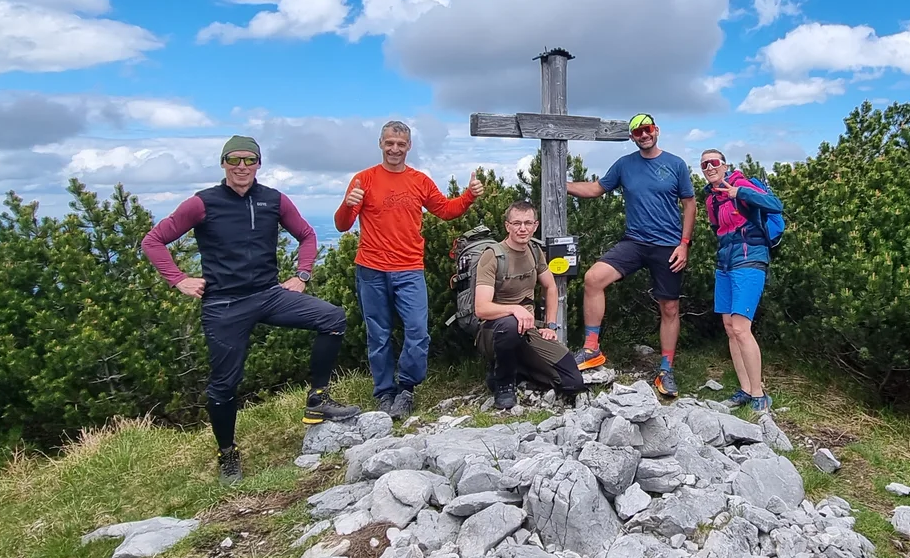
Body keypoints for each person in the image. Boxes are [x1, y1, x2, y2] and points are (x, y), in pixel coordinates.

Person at [141, 135, 358, 486]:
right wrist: (178, 279)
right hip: (224, 303)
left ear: (258, 164)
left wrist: (302, 275)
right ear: (223, 163)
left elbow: (307, 235)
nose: (241, 166)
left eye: (249, 160)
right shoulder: (202, 203)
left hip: (269, 294)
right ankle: (227, 453)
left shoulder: (274, 199)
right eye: (234, 159)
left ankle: (318, 399)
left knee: (332, 318)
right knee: (224, 384)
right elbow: (153, 241)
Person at [334, 120, 483, 420]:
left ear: (409, 146)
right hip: (371, 269)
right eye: (390, 143)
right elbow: (342, 225)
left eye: (400, 144)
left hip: (409, 268)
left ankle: (406, 389)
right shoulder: (363, 179)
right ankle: (384, 393)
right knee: (378, 335)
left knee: (417, 331)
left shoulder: (419, 180)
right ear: (380, 143)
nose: (395, 149)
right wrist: (349, 204)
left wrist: (469, 195)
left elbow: (445, 210)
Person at [568, 112, 695, 398]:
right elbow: (596, 189)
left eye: (647, 129)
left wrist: (684, 244)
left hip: (668, 245)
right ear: (632, 137)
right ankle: (591, 348)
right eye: (638, 132)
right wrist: (559, 184)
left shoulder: (675, 164)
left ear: (656, 130)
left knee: (670, 307)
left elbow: (689, 204)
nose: (644, 135)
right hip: (635, 242)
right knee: (593, 278)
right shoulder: (624, 165)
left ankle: (666, 370)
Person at [474, 200, 587, 410]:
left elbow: (550, 287)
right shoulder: (492, 256)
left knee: (573, 382)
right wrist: (514, 309)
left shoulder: (534, 251)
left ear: (536, 225)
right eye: (516, 223)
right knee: (510, 325)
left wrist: (550, 325)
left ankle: (515, 369)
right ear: (507, 226)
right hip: (494, 330)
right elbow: (481, 308)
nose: (522, 228)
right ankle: (504, 383)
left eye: (528, 223)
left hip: (528, 329)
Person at [700, 149, 783, 414]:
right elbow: (717, 229)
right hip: (725, 263)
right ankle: (745, 390)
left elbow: (775, 205)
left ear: (725, 165)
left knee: (741, 328)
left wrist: (740, 194)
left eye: (714, 162)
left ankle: (759, 395)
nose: (709, 167)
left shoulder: (741, 184)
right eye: (704, 164)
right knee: (729, 327)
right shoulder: (711, 199)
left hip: (750, 260)